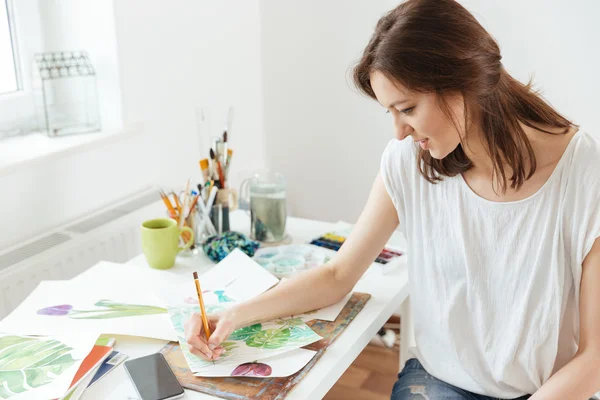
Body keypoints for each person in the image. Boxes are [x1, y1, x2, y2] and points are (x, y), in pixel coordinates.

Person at [185, 0, 600, 398]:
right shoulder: (409, 163)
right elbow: (337, 276)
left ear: (462, 84)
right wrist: (235, 314)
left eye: (408, 108)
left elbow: (594, 358)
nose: (399, 131)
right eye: (391, 112)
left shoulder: (582, 172)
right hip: (441, 383)